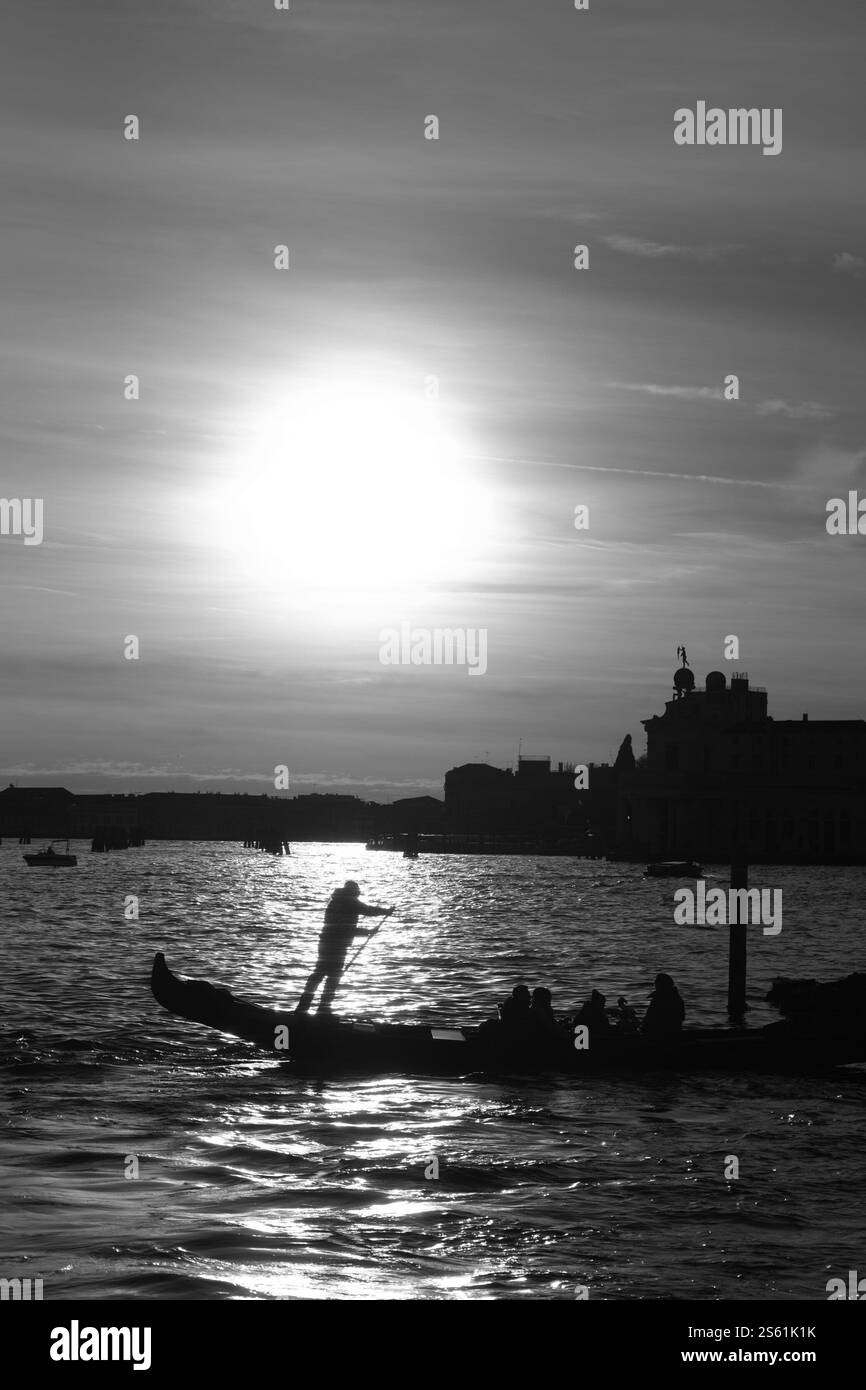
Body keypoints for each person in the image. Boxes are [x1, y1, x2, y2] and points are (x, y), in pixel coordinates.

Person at [295, 881, 392, 1016]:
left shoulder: (336, 900)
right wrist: (385, 912)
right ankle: (323, 1009)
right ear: (353, 892)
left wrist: (367, 931)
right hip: (337, 945)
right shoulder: (349, 901)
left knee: (320, 973)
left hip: (326, 942)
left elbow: (346, 927)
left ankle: (304, 1007)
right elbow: (366, 911)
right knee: (333, 976)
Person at [642, 972, 686, 1037]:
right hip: (673, 1034)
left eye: (657, 983)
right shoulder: (677, 998)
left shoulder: (659, 999)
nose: (655, 986)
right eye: (655, 983)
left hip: (660, 1035)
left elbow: (650, 1019)